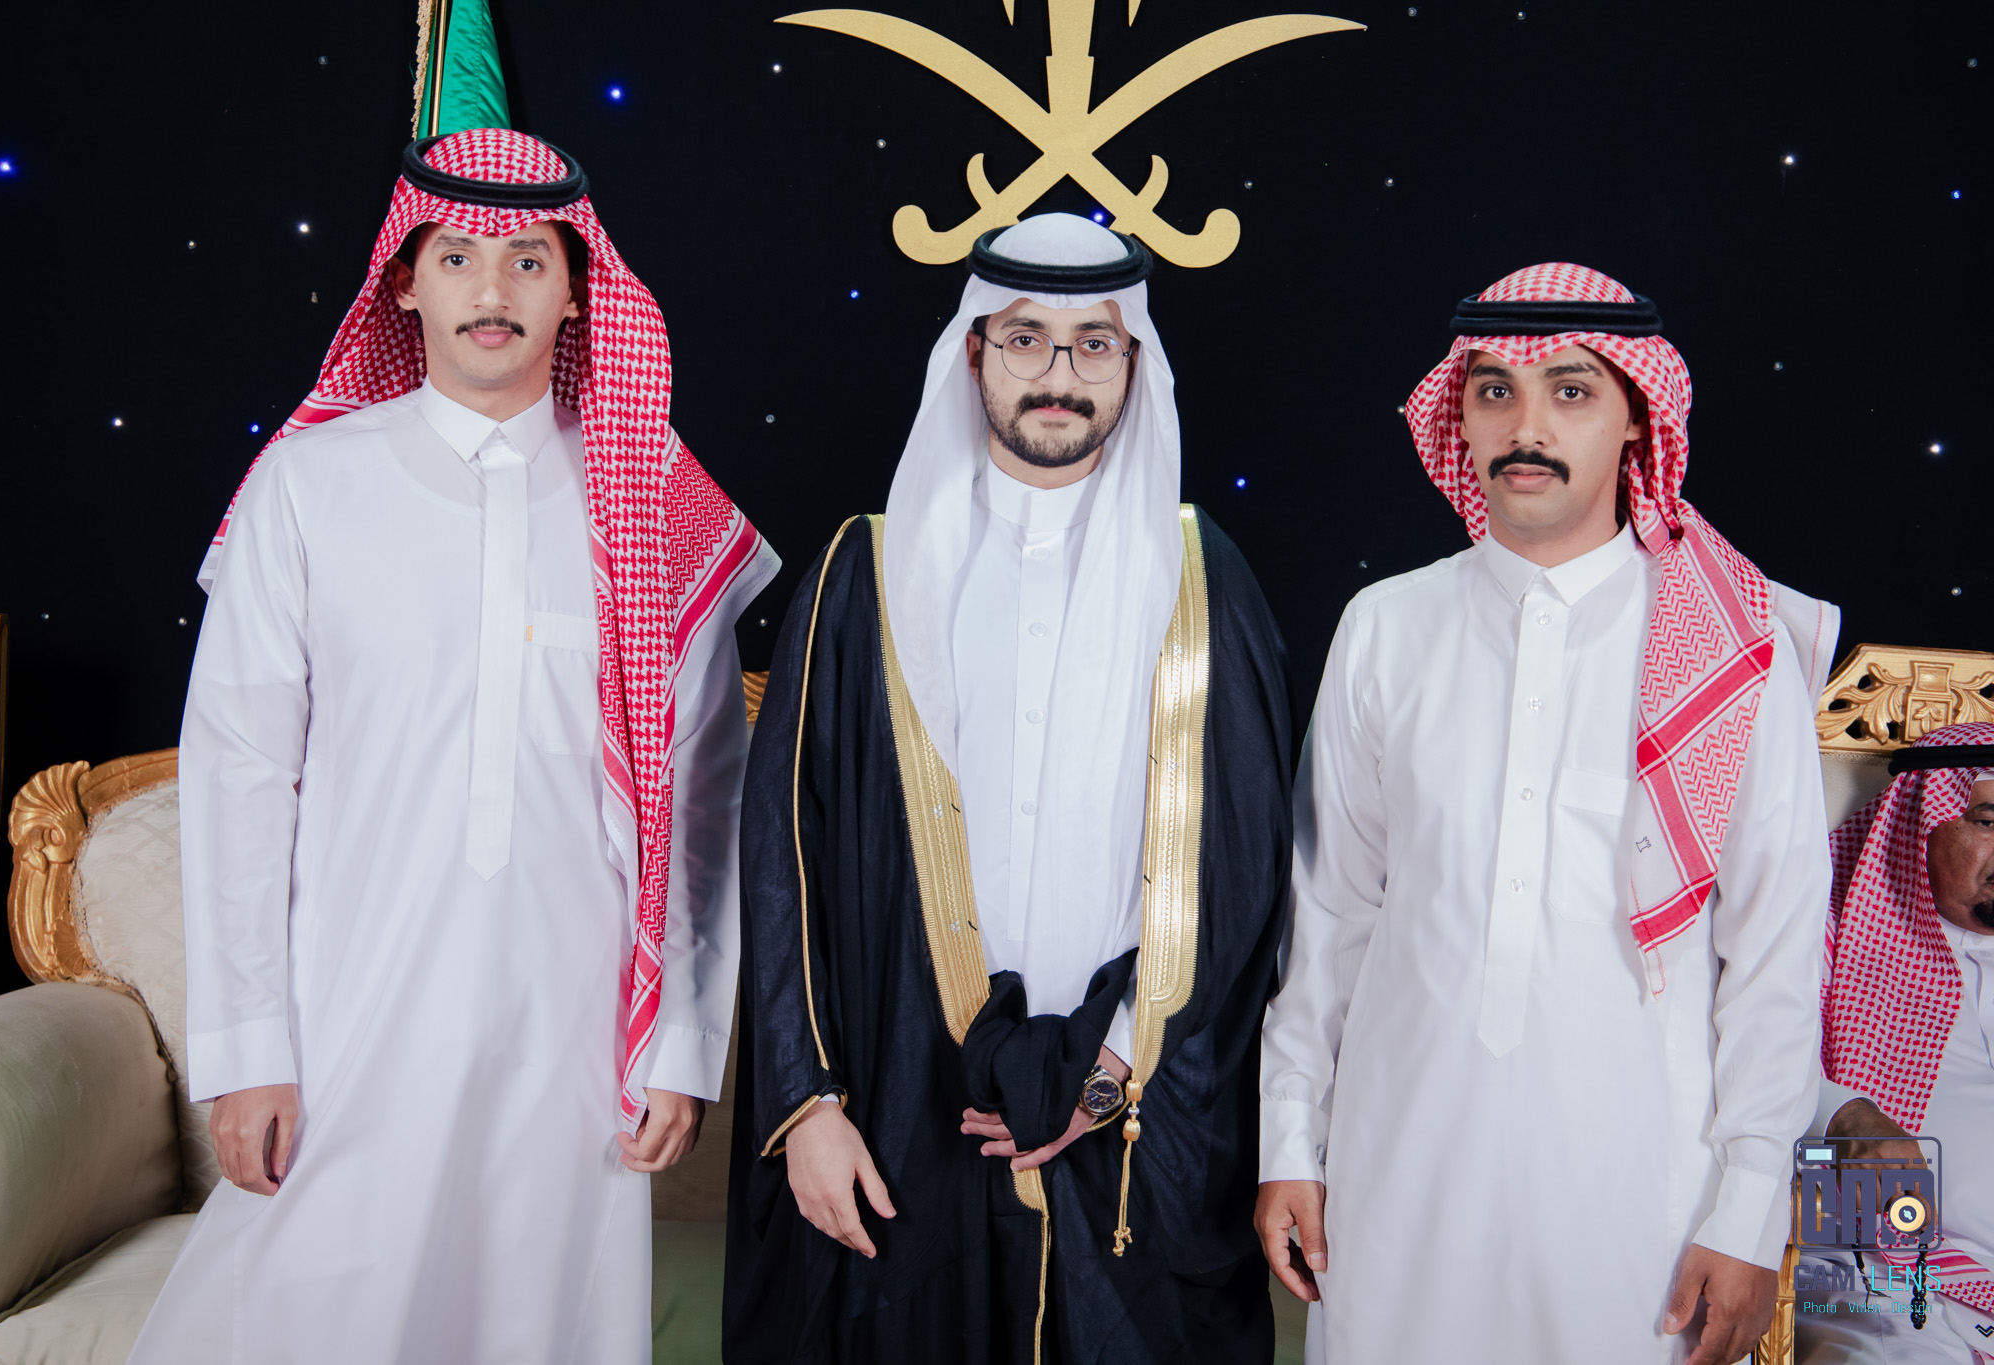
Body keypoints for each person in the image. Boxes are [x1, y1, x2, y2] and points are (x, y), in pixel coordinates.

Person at [129, 128, 776, 1364]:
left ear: (576, 290)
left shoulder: (653, 502)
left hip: (574, 1019)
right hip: (350, 998)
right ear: (403, 282)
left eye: (528, 260)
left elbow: (701, 798)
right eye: (459, 257)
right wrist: (247, 1048)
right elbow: (238, 774)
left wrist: (681, 1042)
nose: (493, 290)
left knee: (537, 1317)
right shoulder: (307, 486)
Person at [721, 213, 1294, 1363]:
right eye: (1026, 339)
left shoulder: (1199, 577)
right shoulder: (865, 573)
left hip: (1124, 1111)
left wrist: (1110, 1071)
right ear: (974, 351)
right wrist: (806, 1103)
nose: (1059, 375)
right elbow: (784, 858)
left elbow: (1243, 871)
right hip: (896, 1103)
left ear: (1132, 364)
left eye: (1094, 344)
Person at [1255, 263, 1841, 1365]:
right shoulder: (1385, 626)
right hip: (1397, 1170)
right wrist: (1288, 1139)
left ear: (1637, 418)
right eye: (1494, 391)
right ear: (1460, 417)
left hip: (1638, 1194)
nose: (1525, 427)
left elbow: (1774, 950)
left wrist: (1750, 1204)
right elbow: (1328, 917)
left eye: (1570, 391)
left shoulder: (1732, 651)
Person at [1795, 722, 1994, 1364]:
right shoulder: (1825, 931)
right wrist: (1844, 1115)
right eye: (1989, 821)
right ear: (1920, 824)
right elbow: (1749, 1057)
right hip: (1882, 1274)